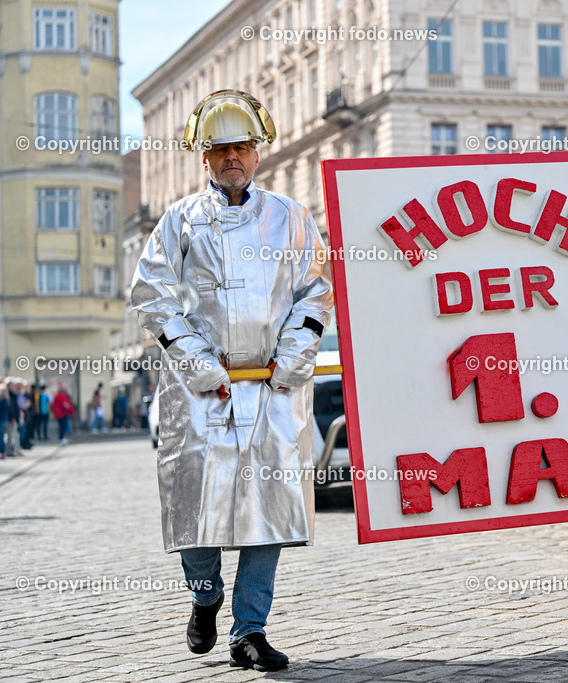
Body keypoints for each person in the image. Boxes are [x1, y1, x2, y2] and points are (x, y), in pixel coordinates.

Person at [131, 90, 332, 672]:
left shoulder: (291, 218)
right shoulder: (178, 222)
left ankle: (250, 630)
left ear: (257, 152)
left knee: (266, 511)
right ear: (204, 158)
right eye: (220, 150)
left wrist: (293, 356)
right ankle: (204, 595)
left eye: (241, 147)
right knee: (197, 509)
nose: (231, 159)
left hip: (270, 387)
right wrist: (196, 362)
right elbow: (153, 295)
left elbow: (314, 291)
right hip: (202, 391)